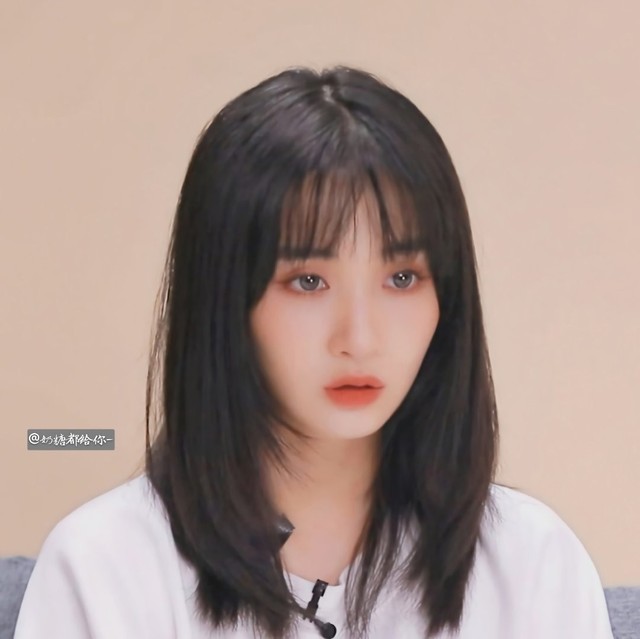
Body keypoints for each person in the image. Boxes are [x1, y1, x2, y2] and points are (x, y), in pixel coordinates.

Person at [14, 66, 613, 639]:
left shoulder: (533, 565)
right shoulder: (105, 570)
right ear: (224, 298)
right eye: (308, 281)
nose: (360, 339)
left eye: (402, 278)